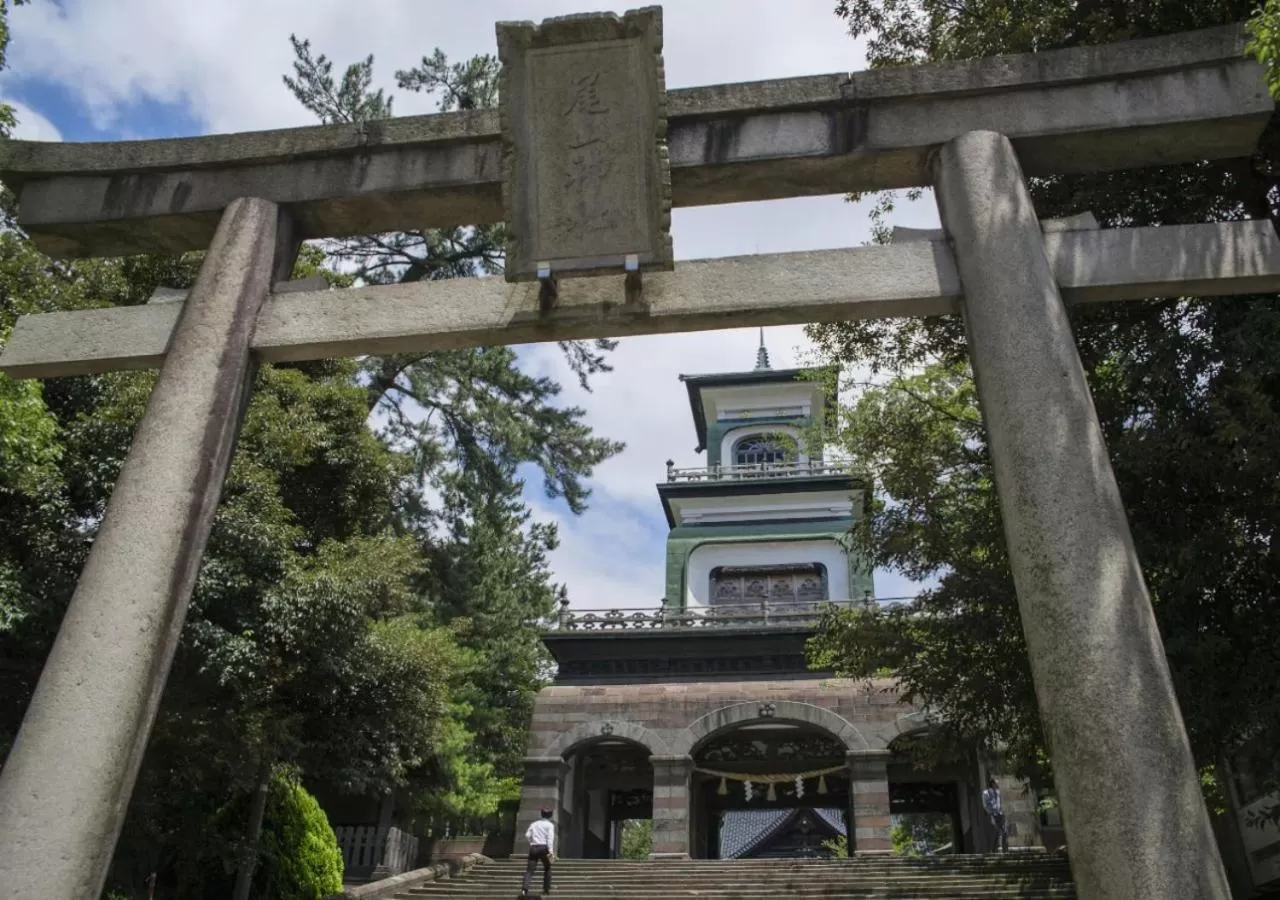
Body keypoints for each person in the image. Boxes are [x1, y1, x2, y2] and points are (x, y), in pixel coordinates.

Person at [522, 808, 555, 897]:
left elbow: (527, 835)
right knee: (547, 867)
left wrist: (531, 842)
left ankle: (524, 889)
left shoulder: (534, 824)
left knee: (529, 870)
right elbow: (550, 839)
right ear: (550, 816)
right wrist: (551, 851)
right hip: (544, 848)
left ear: (541, 814)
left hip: (534, 847)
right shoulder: (550, 825)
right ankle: (546, 889)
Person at [982, 776, 1009, 852]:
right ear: (993, 784)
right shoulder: (985, 793)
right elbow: (985, 805)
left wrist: (1001, 811)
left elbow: (999, 803)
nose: (998, 785)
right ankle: (993, 849)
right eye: (997, 783)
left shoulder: (998, 792)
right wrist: (990, 813)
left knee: (1005, 831)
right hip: (992, 815)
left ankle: (1005, 849)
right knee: (995, 831)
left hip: (1000, 814)